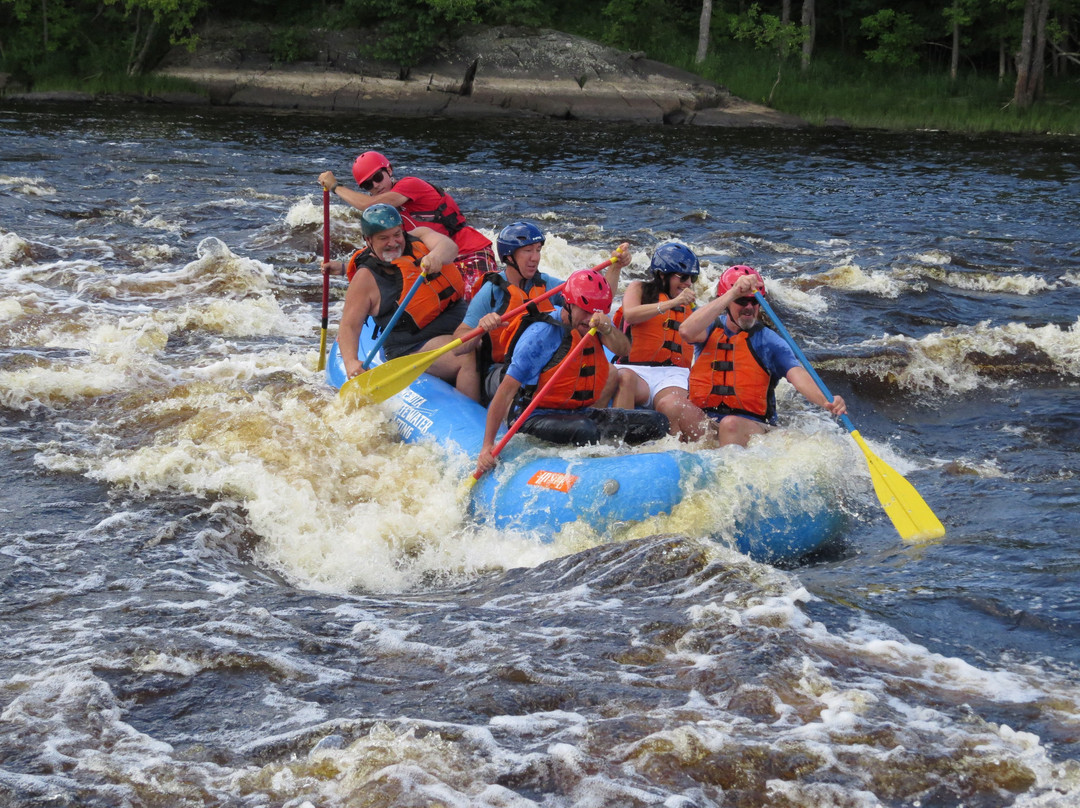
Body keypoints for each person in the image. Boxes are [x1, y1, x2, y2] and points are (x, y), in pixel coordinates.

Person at [474, 269, 669, 475]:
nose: (589, 319)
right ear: (568, 303)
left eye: (595, 312)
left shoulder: (596, 325)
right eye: (584, 311)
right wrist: (487, 446)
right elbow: (505, 392)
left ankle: (635, 468)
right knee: (587, 430)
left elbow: (624, 350)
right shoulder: (540, 335)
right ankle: (606, 469)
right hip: (533, 415)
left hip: (577, 413)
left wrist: (608, 329)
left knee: (657, 422)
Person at [452, 221, 631, 404]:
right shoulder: (491, 292)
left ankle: (592, 420)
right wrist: (481, 328)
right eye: (527, 251)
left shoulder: (547, 284)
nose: (535, 257)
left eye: (538, 250)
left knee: (609, 372)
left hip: (544, 360)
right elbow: (458, 344)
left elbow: (595, 297)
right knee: (531, 379)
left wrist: (615, 268)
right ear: (509, 256)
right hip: (502, 371)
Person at [323, 203, 481, 401]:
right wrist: (351, 362)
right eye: (384, 238)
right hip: (414, 345)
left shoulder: (421, 236)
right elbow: (349, 325)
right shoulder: (365, 278)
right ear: (368, 240)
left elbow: (449, 247)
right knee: (465, 354)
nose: (393, 243)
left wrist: (435, 257)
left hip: (459, 321)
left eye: (396, 234)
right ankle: (471, 417)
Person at [679, 265, 847, 446]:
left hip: (752, 427)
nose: (749, 307)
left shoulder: (769, 341)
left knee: (730, 425)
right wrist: (734, 292)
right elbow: (686, 331)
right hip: (709, 422)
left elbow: (798, 375)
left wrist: (826, 401)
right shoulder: (709, 328)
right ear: (726, 301)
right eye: (742, 301)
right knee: (674, 407)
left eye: (754, 301)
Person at [319, 151, 496, 298]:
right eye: (367, 185)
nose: (375, 185)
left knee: (472, 302)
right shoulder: (388, 218)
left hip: (470, 252)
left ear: (389, 170)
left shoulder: (411, 184)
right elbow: (384, 253)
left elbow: (367, 205)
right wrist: (344, 268)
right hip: (437, 264)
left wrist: (335, 187)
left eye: (378, 177)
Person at [612, 241, 710, 440]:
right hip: (635, 370)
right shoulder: (638, 288)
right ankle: (618, 443)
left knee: (673, 404)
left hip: (673, 374)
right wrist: (672, 303)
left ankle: (672, 453)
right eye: (682, 277)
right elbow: (630, 314)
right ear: (662, 275)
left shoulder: (691, 308)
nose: (688, 283)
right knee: (625, 379)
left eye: (692, 278)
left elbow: (702, 336)